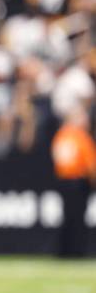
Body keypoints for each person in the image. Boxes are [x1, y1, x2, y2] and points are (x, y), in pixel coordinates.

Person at [51, 104, 96, 257]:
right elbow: (91, 165)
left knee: (67, 217)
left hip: (63, 181)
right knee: (78, 219)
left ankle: (65, 251)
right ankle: (77, 251)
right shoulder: (80, 136)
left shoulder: (60, 135)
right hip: (78, 182)